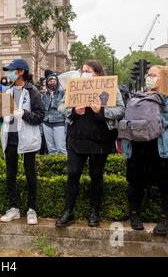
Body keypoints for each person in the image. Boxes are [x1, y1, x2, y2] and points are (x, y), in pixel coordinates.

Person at [56, 60, 125, 228]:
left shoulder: (109, 86)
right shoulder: (75, 85)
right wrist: (73, 110)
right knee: (73, 173)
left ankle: (94, 212)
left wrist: (101, 111)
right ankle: (68, 211)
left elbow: (121, 110)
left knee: (96, 175)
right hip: (77, 138)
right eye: (83, 70)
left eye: (88, 71)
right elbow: (60, 106)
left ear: (98, 73)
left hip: (100, 139)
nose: (84, 73)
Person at [122, 65, 168, 236]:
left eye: (153, 75)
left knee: (165, 184)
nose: (149, 78)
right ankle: (134, 215)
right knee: (135, 181)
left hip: (160, 147)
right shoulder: (138, 96)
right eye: (148, 75)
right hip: (138, 146)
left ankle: (165, 218)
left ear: (163, 78)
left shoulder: (166, 98)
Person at [0, 59, 44, 225]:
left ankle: (32, 209)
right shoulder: (6, 91)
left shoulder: (33, 92)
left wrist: (24, 113)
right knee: (10, 174)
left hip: (26, 139)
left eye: (11, 70)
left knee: (30, 174)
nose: (9, 73)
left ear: (21, 72)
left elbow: (40, 116)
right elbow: (2, 115)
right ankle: (14, 208)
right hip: (10, 137)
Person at [41, 74, 67, 155]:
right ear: (47, 83)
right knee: (51, 149)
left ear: (57, 82)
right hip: (46, 123)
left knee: (61, 148)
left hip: (59, 122)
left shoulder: (62, 93)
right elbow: (43, 108)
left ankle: (65, 166)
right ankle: (53, 166)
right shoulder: (45, 95)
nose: (52, 83)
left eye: (54, 81)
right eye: (50, 81)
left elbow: (65, 108)